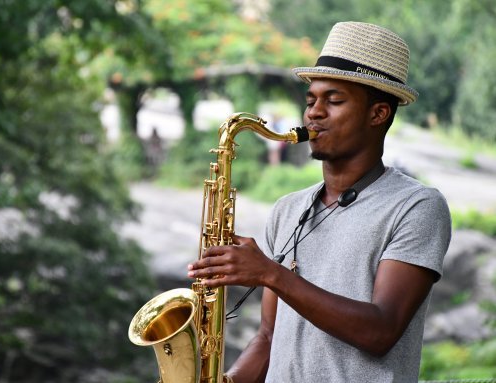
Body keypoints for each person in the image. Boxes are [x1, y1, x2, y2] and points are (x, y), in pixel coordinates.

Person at [188, 21, 451, 382]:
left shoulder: (417, 207)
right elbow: (268, 337)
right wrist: (228, 379)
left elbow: (381, 330)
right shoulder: (287, 210)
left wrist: (269, 272)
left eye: (334, 100)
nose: (313, 112)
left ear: (378, 114)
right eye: (311, 100)